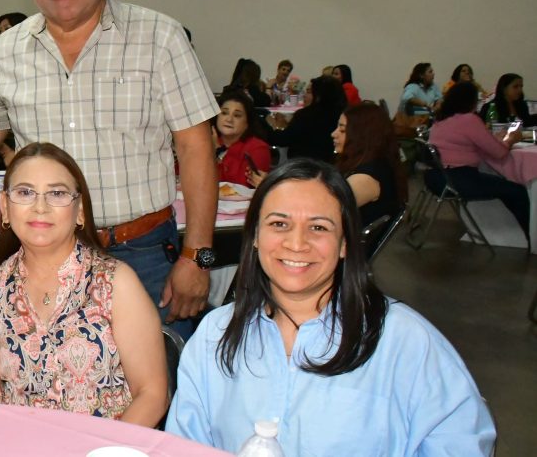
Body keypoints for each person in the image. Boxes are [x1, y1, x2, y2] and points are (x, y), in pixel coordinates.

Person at [0, 0, 219, 336]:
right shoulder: (8, 50)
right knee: (54, 395)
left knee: (158, 390)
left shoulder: (159, 38)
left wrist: (198, 258)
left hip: (146, 254)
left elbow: (196, 148)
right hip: (47, 258)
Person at [166, 159, 495, 455]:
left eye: (319, 227)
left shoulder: (405, 341)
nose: (296, 243)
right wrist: (197, 258)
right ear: (254, 237)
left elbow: (461, 443)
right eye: (279, 224)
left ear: (344, 244)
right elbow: (184, 445)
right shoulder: (216, 334)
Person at [0, 143, 167, 427]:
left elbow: (152, 394)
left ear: (80, 211)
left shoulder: (115, 283)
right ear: (5, 208)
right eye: (25, 192)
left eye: (57, 193)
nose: (40, 207)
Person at [429, 81, 529, 234]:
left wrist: (496, 139)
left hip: (437, 177)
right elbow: (499, 153)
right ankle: (528, 234)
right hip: (461, 180)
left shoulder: (441, 119)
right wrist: (510, 140)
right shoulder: (468, 120)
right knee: (517, 191)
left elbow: (473, 142)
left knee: (506, 187)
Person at [332, 103, 407, 252]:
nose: (334, 134)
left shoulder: (366, 178)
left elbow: (325, 211)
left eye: (342, 130)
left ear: (362, 136)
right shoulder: (378, 161)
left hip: (346, 253)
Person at [258, 75, 345, 167]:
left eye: (308, 92)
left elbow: (281, 140)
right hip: (330, 167)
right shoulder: (342, 116)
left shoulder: (306, 116)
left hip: (300, 168)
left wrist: (261, 122)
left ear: (318, 97)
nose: (304, 95)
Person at [213, 90, 271, 187]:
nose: (229, 119)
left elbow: (240, 188)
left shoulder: (257, 148)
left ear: (247, 123)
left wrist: (217, 152)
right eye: (224, 113)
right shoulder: (207, 141)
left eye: (237, 115)